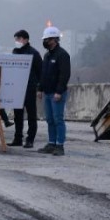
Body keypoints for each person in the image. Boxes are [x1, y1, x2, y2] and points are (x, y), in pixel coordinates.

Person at [37, 26, 71, 156]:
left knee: (58, 119)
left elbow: (64, 75)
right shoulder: (46, 55)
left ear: (54, 39)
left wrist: (59, 91)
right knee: (49, 120)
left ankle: (59, 145)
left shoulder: (62, 55)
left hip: (57, 93)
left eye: (48, 39)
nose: (45, 42)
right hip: (47, 92)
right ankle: (51, 143)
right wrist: (40, 88)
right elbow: (43, 74)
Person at [9, 29, 42, 148]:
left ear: (26, 39)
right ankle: (18, 138)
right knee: (17, 115)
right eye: (16, 39)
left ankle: (30, 139)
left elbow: (40, 72)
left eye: (19, 39)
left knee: (31, 115)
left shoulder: (34, 53)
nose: (17, 41)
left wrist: (38, 87)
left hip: (29, 88)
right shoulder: (15, 52)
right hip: (17, 88)